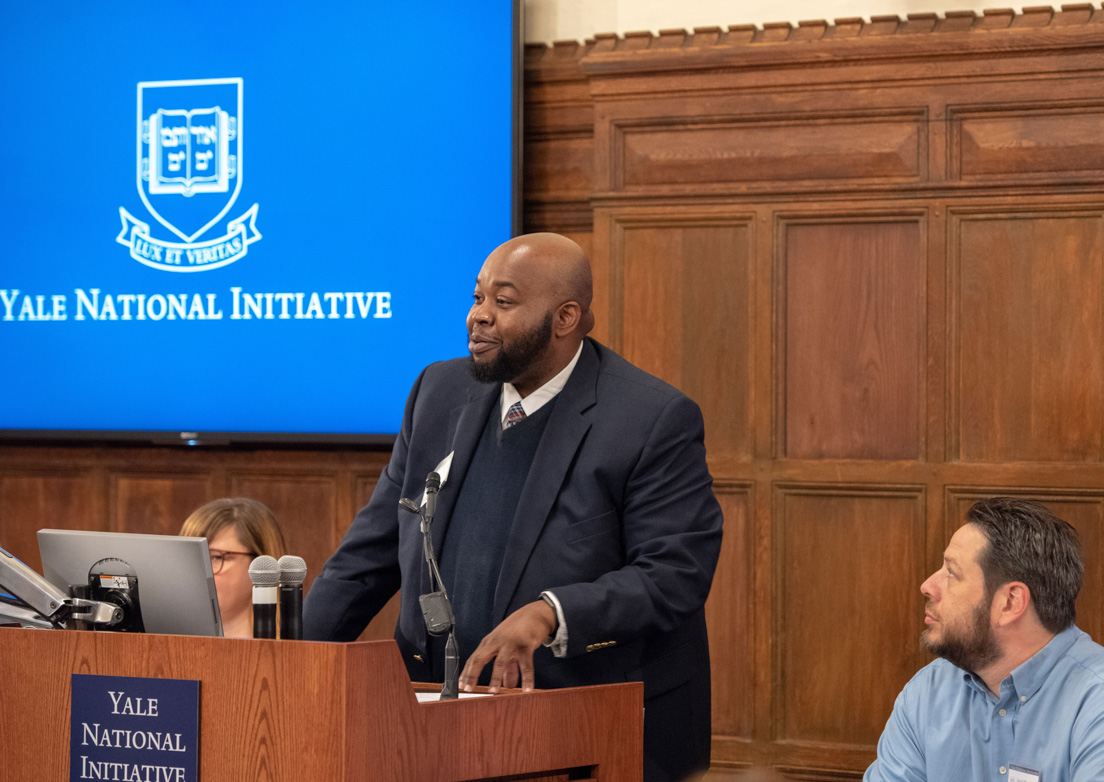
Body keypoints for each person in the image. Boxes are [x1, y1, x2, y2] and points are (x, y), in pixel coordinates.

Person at [303, 232, 724, 782]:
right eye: (477, 298)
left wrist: (550, 612)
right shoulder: (438, 390)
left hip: (592, 729)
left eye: (502, 303)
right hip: (440, 718)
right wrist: (288, 658)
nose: (479, 317)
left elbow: (674, 574)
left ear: (565, 317)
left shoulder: (650, 420)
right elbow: (370, 553)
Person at [865, 497, 1104, 781]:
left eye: (952, 573)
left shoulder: (1094, 703)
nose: (927, 586)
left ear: (1010, 602)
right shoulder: (927, 694)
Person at [180, 497, 288, 639]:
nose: (198, 571)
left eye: (216, 557)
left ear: (261, 568)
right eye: (190, 556)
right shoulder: (160, 647)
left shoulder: (293, 654)